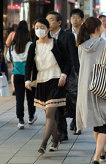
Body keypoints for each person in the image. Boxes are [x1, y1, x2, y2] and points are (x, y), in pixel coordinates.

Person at [75, 17, 106, 164]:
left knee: (96, 121)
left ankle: (101, 151)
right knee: (105, 121)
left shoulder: (81, 46)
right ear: (97, 28)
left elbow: (81, 67)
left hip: (86, 87)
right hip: (105, 87)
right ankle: (96, 157)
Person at [25, 18, 71, 153]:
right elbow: (28, 64)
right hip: (41, 81)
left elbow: (68, 61)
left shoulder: (56, 43)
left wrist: (64, 75)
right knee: (49, 114)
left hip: (56, 80)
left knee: (50, 113)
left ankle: (43, 144)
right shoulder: (33, 46)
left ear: (48, 29)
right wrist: (28, 80)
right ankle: (55, 141)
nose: (39, 29)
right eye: (36, 27)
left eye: (42, 27)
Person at [46, 11, 79, 142]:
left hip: (65, 75)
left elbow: (72, 56)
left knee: (63, 102)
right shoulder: (45, 37)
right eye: (47, 20)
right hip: (50, 76)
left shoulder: (68, 36)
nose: (48, 22)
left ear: (59, 22)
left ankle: (65, 128)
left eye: (51, 20)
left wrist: (75, 73)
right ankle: (60, 130)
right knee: (54, 104)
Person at [6, 21, 37, 129]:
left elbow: (8, 59)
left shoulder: (12, 47)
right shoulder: (30, 45)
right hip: (29, 75)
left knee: (19, 99)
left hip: (17, 75)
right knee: (30, 98)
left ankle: (20, 120)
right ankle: (31, 117)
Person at [65, 9, 85, 135]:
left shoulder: (86, 34)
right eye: (73, 17)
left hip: (84, 67)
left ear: (82, 20)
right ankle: (74, 119)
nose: (75, 20)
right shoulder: (66, 34)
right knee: (72, 96)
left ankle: (77, 122)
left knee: (80, 96)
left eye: (78, 17)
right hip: (70, 69)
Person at [6, 24, 18, 96]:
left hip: (14, 53)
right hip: (23, 55)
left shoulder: (12, 33)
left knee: (14, 71)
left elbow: (7, 43)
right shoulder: (23, 33)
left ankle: (14, 88)